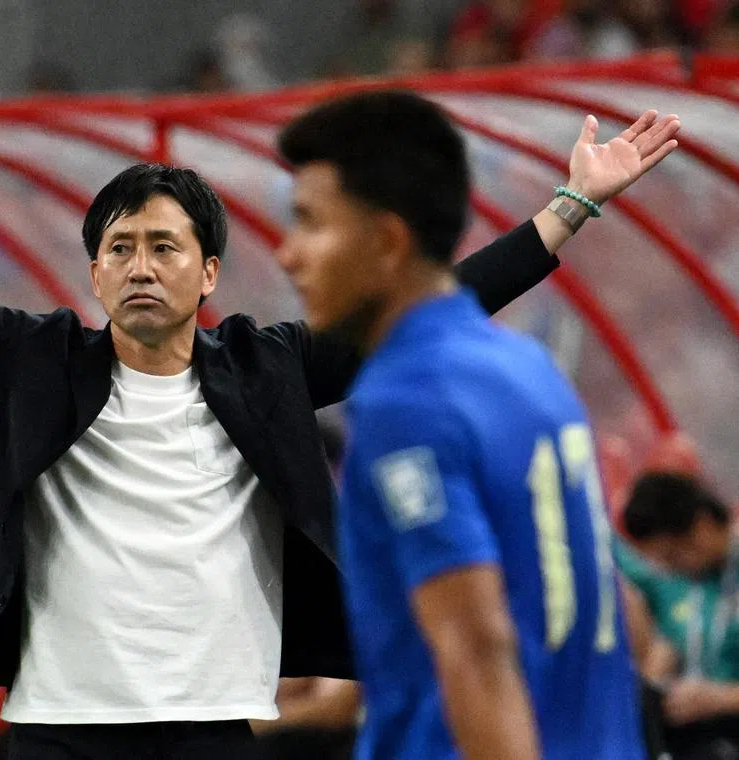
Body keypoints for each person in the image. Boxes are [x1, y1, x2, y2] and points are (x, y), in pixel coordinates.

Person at [0, 39, 677, 759]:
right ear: (94, 277)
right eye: (120, 249)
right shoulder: (32, 358)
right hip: (57, 727)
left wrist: (571, 204)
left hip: (215, 726)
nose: (141, 266)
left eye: (164, 247)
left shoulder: (266, 367)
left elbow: (436, 300)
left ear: (208, 276)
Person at [274, 91, 677, 759]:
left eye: (312, 224)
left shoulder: (407, 402)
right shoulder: (526, 369)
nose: (288, 255)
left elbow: (475, 648)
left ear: (386, 242)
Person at [619, 472, 739, 759]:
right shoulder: (697, 582)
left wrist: (722, 699)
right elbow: (677, 642)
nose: (670, 569)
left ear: (703, 526)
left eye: (673, 555)